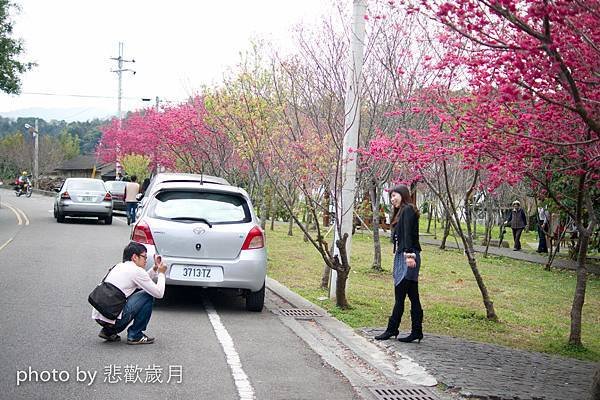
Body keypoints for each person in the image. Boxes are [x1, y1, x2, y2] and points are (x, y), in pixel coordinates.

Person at [92, 241, 166, 344]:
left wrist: (155, 269)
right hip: (113, 318)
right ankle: (135, 335)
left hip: (101, 316)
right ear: (135, 257)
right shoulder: (136, 271)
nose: (146, 260)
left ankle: (108, 331)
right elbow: (159, 293)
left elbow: (143, 282)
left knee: (137, 292)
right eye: (144, 257)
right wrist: (161, 273)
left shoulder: (118, 266)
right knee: (148, 295)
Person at [375, 184, 423, 343]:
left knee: (401, 295)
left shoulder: (408, 209)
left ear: (403, 194)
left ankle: (392, 329)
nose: (392, 199)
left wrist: (409, 255)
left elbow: (408, 234)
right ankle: (416, 331)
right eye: (390, 196)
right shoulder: (402, 211)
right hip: (403, 255)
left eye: (394, 195)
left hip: (408, 255)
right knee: (412, 295)